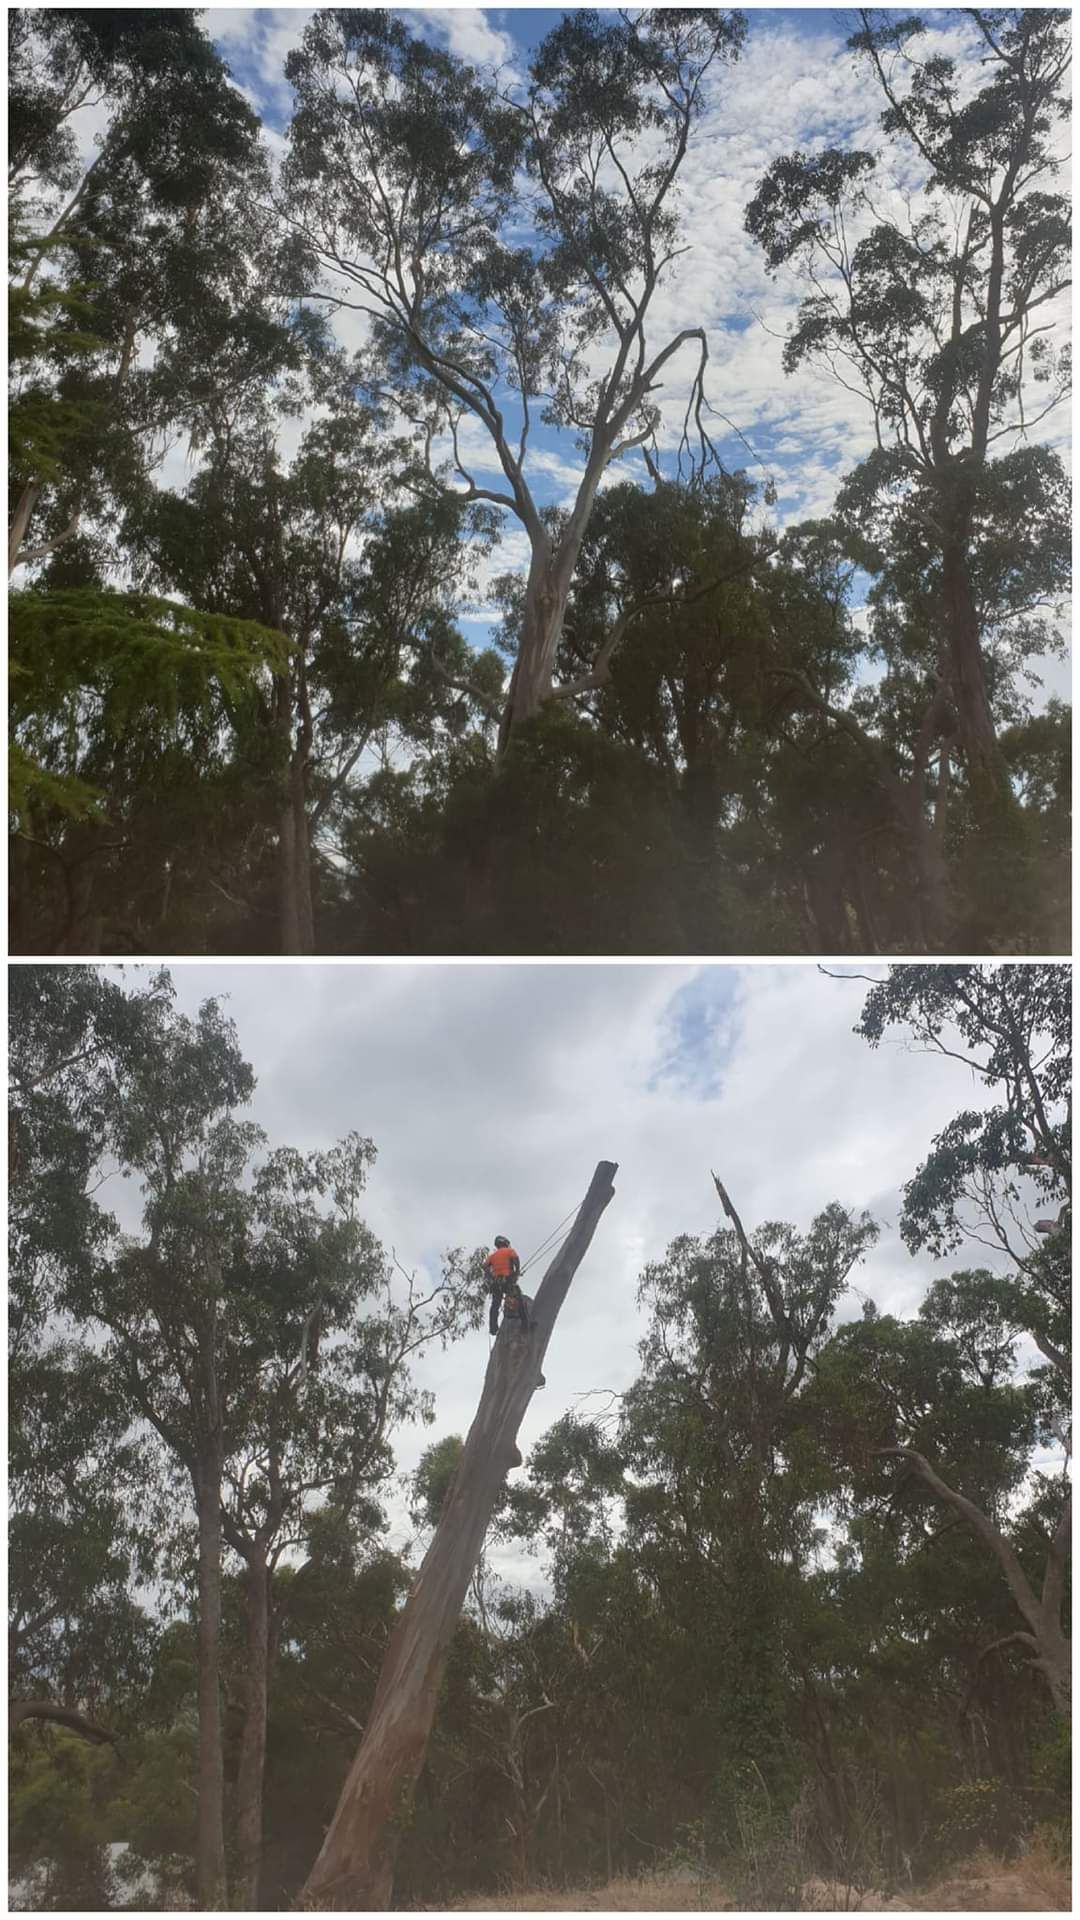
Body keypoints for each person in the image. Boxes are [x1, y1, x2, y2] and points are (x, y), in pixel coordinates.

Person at [484, 1235, 521, 1335]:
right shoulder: (510, 1251)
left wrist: (491, 1278)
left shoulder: (492, 1256)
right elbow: (516, 1261)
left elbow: (485, 1267)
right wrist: (516, 1273)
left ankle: (493, 1328)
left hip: (496, 1283)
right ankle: (515, 1315)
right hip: (507, 1280)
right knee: (516, 1296)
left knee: (495, 1305)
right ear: (505, 1243)